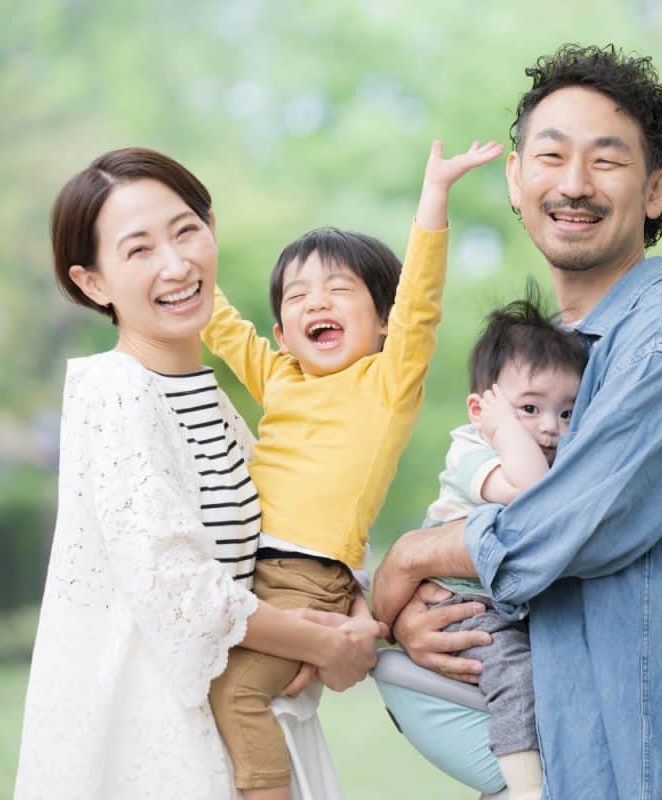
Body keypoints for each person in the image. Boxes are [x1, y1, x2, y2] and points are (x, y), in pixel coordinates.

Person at [371, 44, 662, 800]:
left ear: (656, 190)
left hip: (626, 770)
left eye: (606, 162)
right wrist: (422, 617)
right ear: (516, 181)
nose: (573, 185)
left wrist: (411, 560)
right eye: (550, 156)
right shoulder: (560, 363)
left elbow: (552, 532)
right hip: (559, 755)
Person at [14, 147, 384, 800]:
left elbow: (285, 535)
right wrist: (323, 640)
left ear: (211, 227)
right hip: (162, 740)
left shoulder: (208, 399)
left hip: (243, 719)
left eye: (186, 230)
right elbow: (176, 584)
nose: (177, 264)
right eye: (138, 250)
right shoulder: (115, 391)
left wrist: (344, 602)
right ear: (92, 283)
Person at [200, 139, 501, 800]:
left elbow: (421, 300)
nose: (317, 304)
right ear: (281, 331)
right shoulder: (279, 377)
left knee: (237, 696)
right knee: (227, 687)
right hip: (244, 575)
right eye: (300, 296)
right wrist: (195, 248)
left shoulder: (386, 385)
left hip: (308, 580)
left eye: (340, 291)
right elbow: (220, 325)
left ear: (384, 325)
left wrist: (435, 197)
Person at [420, 286, 587, 800]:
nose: (549, 427)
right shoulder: (472, 451)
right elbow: (535, 496)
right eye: (530, 408)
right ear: (482, 409)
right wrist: (503, 429)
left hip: (504, 597)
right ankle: (524, 790)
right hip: (459, 599)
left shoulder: (543, 450)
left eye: (566, 412)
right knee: (515, 676)